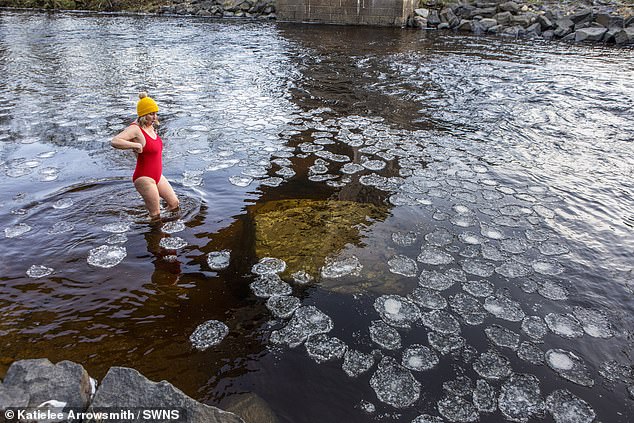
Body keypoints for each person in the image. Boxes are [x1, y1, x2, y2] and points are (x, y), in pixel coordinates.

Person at [111, 92, 179, 220]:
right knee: (155, 215)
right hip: (144, 177)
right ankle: (154, 237)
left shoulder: (151, 126)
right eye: (151, 114)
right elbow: (115, 141)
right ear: (143, 115)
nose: (154, 117)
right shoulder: (135, 129)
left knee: (174, 204)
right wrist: (135, 146)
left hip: (158, 175)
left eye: (155, 113)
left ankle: (163, 228)